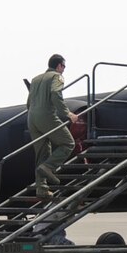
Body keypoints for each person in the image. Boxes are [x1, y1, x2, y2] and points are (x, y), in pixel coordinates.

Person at [26, 54, 79, 198]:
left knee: (42, 152)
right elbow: (56, 93)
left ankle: (41, 189)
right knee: (68, 143)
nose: (64, 70)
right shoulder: (57, 77)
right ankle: (48, 167)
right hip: (46, 116)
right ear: (59, 66)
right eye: (64, 66)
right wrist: (68, 114)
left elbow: (29, 102)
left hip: (31, 118)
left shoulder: (35, 79)